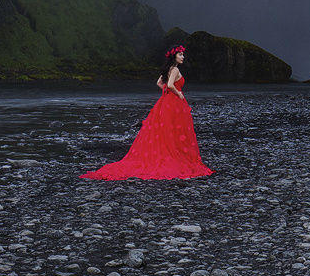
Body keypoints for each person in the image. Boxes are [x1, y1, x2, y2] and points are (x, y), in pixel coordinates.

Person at [81, 45, 213, 180]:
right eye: (180, 54)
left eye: (183, 54)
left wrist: (166, 92)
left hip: (165, 102)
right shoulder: (175, 69)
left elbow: (159, 83)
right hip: (173, 102)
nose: (183, 57)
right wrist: (178, 94)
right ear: (174, 56)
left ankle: (168, 152)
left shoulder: (168, 69)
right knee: (174, 128)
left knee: (165, 128)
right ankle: (174, 154)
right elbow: (170, 85)